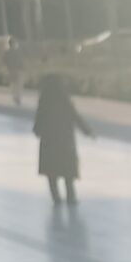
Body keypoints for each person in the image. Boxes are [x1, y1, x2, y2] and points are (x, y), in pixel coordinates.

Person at [32, 73, 91, 205]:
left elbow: (38, 120)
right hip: (65, 140)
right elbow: (76, 117)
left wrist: (37, 131)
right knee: (67, 171)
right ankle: (71, 196)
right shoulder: (65, 101)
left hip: (48, 141)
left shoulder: (44, 102)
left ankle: (56, 197)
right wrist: (87, 131)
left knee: (51, 171)